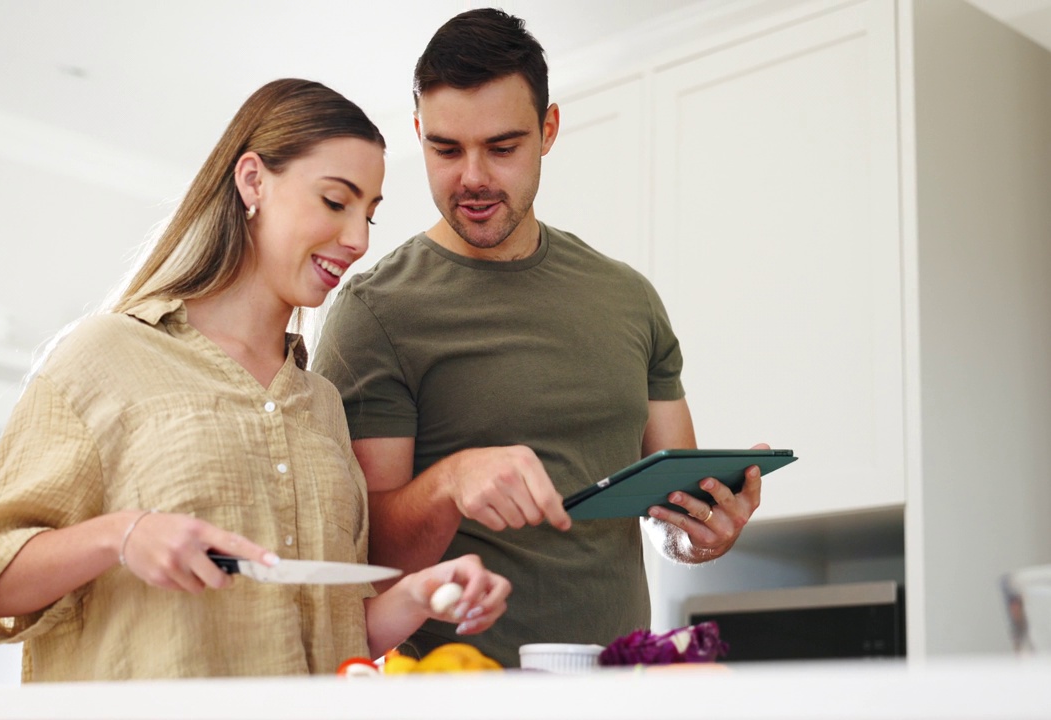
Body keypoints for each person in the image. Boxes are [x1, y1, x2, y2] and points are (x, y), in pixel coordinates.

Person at [0, 78, 510, 682]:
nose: (358, 240)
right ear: (252, 181)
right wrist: (123, 535)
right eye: (334, 201)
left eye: (369, 214)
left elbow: (332, 628)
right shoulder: (104, 356)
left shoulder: (319, 402)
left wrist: (418, 598)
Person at [313, 10, 765, 669]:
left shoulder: (628, 299)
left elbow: (671, 515)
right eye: (445, 149)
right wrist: (449, 482)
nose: (471, 177)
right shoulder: (375, 310)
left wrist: (701, 537)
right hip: (455, 691)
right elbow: (368, 565)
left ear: (548, 130)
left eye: (502, 147)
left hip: (619, 687)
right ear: (418, 134)